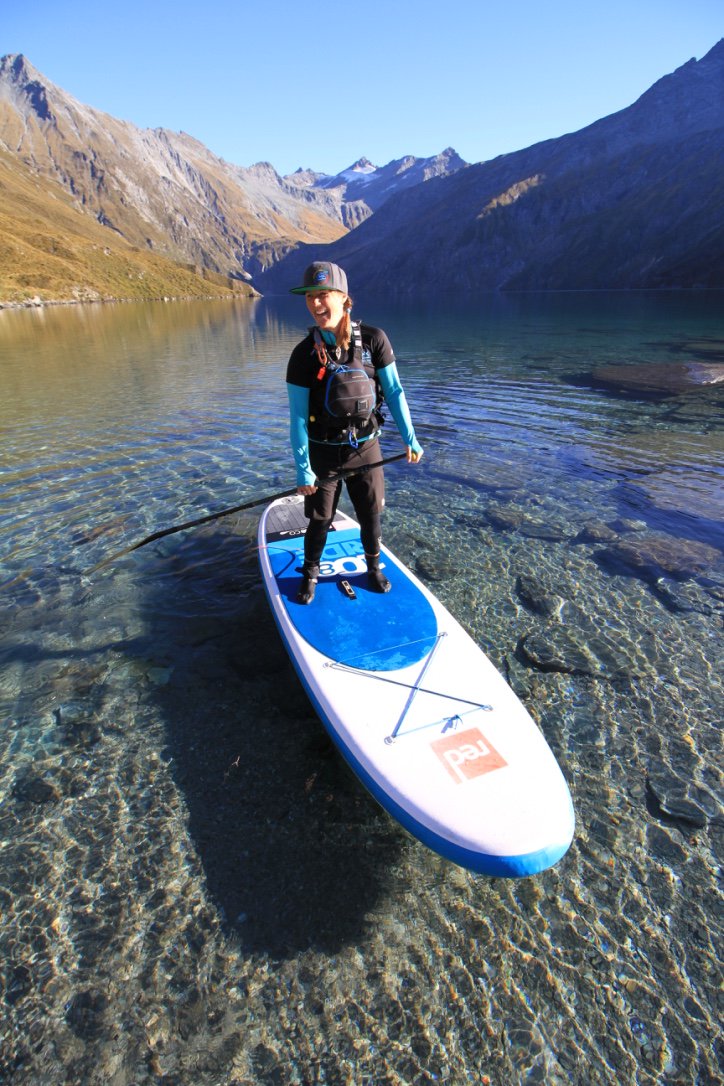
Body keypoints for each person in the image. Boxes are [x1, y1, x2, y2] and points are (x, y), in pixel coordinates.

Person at [286, 260, 423, 604]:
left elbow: (394, 392)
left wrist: (410, 437)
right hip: (323, 452)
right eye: (309, 297)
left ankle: (374, 567)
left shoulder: (375, 340)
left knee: (370, 514)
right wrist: (304, 469)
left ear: (343, 297)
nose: (315, 304)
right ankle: (311, 572)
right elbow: (298, 417)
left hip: (367, 448)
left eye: (322, 295)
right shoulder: (303, 355)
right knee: (319, 519)